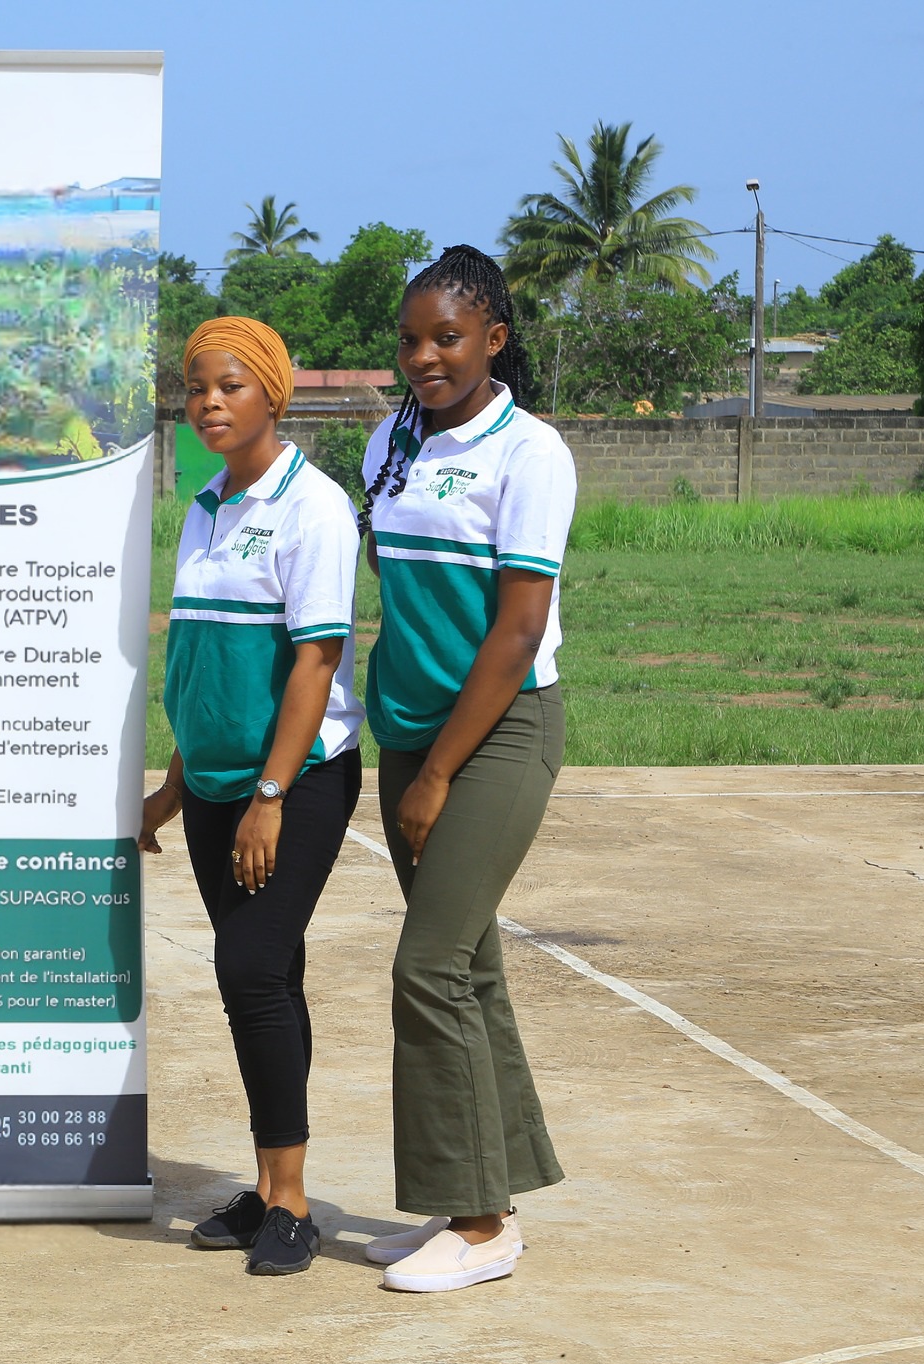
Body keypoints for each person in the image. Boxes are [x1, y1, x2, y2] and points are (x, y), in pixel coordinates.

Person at [354, 245, 574, 1293]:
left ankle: (481, 1226)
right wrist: (405, 745)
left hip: (497, 734)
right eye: (409, 339)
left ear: (494, 337)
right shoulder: (389, 439)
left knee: (428, 967)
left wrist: (437, 773)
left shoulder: (530, 452)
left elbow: (517, 629)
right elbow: (393, 578)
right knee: (468, 966)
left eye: (446, 337)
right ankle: (487, 1195)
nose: (423, 357)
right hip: (409, 730)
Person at [140, 316, 365, 1276]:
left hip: (298, 779)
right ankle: (269, 1190)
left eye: (229, 385)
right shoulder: (203, 507)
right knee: (267, 979)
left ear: (273, 391)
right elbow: (209, 671)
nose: (208, 403)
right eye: (196, 388)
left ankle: (295, 1202)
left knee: (250, 967)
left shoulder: (314, 507)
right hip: (216, 785)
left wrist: (270, 796)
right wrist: (174, 787)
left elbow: (314, 662)